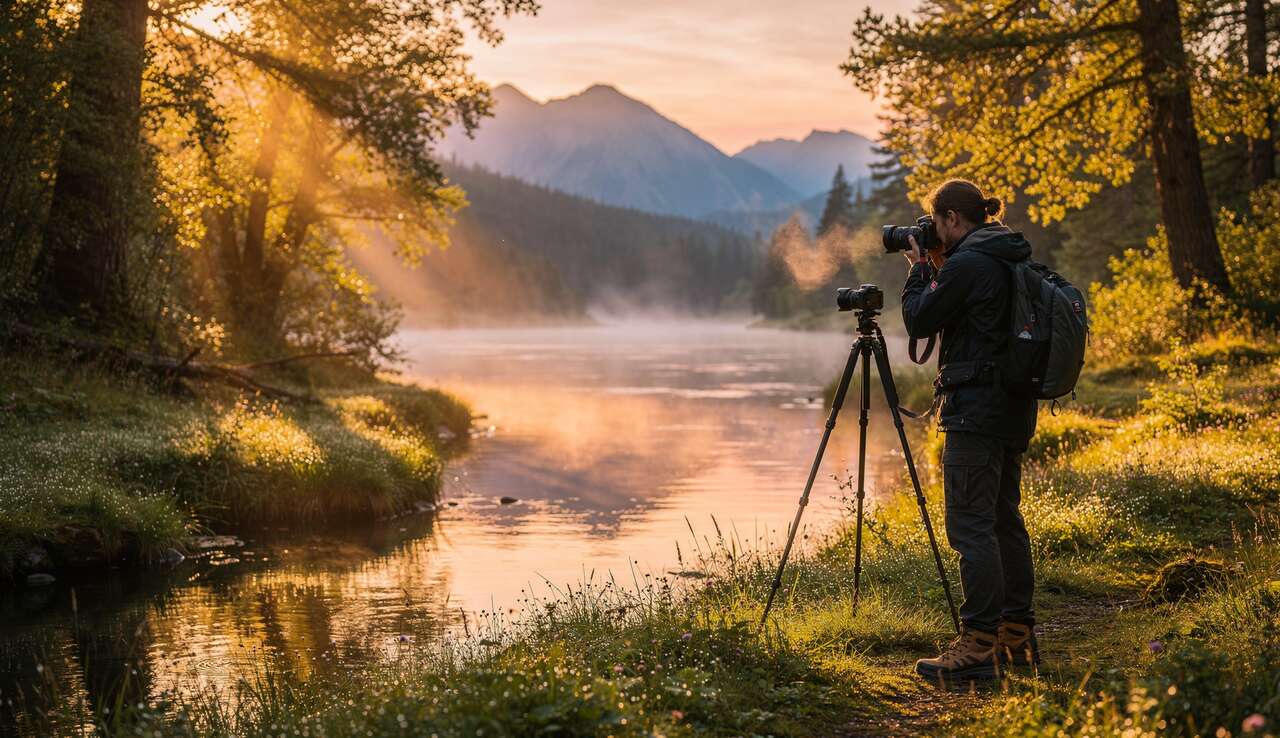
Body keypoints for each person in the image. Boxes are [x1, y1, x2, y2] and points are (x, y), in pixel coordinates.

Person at [900, 178, 1040, 683]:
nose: (932, 233)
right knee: (1002, 519)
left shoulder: (969, 263)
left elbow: (918, 320)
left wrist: (919, 270)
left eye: (935, 224)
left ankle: (979, 643)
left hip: (976, 412)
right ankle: (1016, 634)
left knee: (971, 526)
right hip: (1011, 408)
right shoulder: (1006, 254)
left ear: (952, 220)